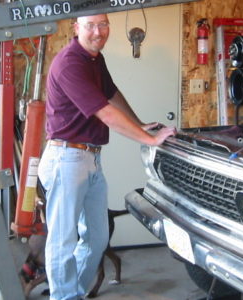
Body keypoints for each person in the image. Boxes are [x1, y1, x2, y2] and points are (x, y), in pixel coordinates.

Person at [37, 13, 177, 300]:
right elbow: (105, 112)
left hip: (89, 159)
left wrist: (137, 123)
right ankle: (64, 296)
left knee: (97, 239)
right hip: (66, 160)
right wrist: (149, 139)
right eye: (90, 26)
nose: (98, 32)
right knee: (62, 241)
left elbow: (111, 94)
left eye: (103, 25)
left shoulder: (94, 59)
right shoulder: (70, 63)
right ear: (76, 28)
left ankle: (71, 293)